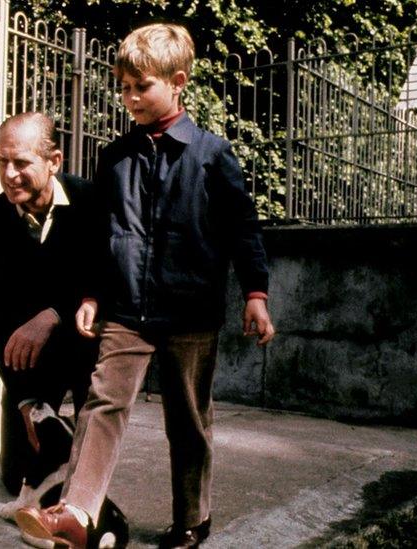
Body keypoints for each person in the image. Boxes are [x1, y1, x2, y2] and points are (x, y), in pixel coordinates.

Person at [16, 23, 276, 549]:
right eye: (124, 87)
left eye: (142, 87)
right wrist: (90, 293)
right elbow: (98, 235)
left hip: (191, 311)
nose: (130, 98)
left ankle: (191, 518)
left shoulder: (212, 155)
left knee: (188, 418)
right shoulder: (114, 157)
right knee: (102, 404)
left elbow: (242, 229)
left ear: (177, 82)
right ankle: (76, 513)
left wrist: (255, 293)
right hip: (125, 308)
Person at [0, 112, 99, 495]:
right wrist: (26, 401)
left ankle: (85, 432)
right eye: (2, 162)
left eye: (22, 163)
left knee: (83, 479)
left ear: (54, 161)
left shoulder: (93, 203)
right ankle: (49, 425)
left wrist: (53, 313)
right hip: (33, 360)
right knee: (17, 479)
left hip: (88, 344)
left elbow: (109, 279)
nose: (10, 174)